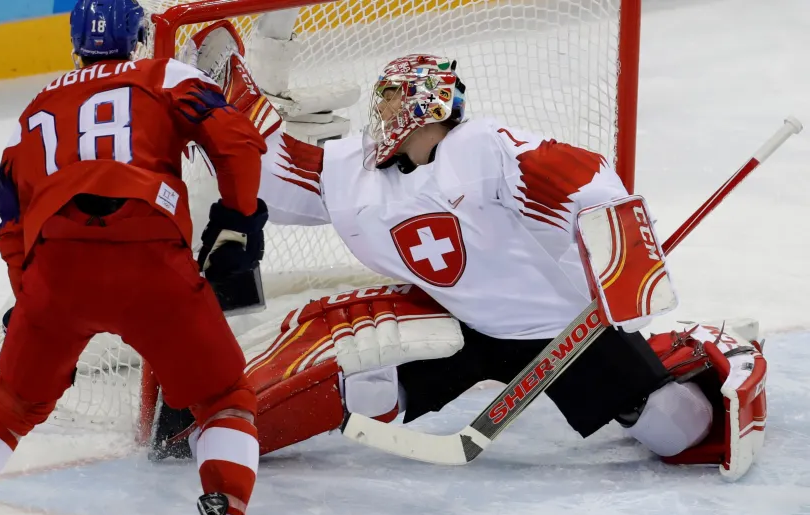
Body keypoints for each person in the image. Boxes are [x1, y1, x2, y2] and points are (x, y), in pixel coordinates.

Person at [150, 20, 768, 482]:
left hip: (559, 331)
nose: (383, 112)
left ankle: (688, 358)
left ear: (428, 105)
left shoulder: (483, 147)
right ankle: (216, 419)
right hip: (455, 321)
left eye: (395, 100)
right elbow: (273, 171)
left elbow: (581, 179)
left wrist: (621, 247)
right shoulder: (358, 173)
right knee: (365, 385)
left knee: (675, 429)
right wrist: (224, 104)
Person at [0, 3, 272, 515]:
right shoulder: (165, 75)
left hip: (57, 271)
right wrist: (238, 219)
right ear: (142, 36)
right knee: (223, 399)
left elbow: (10, 222)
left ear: (74, 43)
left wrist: (29, 298)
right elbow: (239, 142)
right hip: (151, 262)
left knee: (9, 405)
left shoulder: (36, 107)